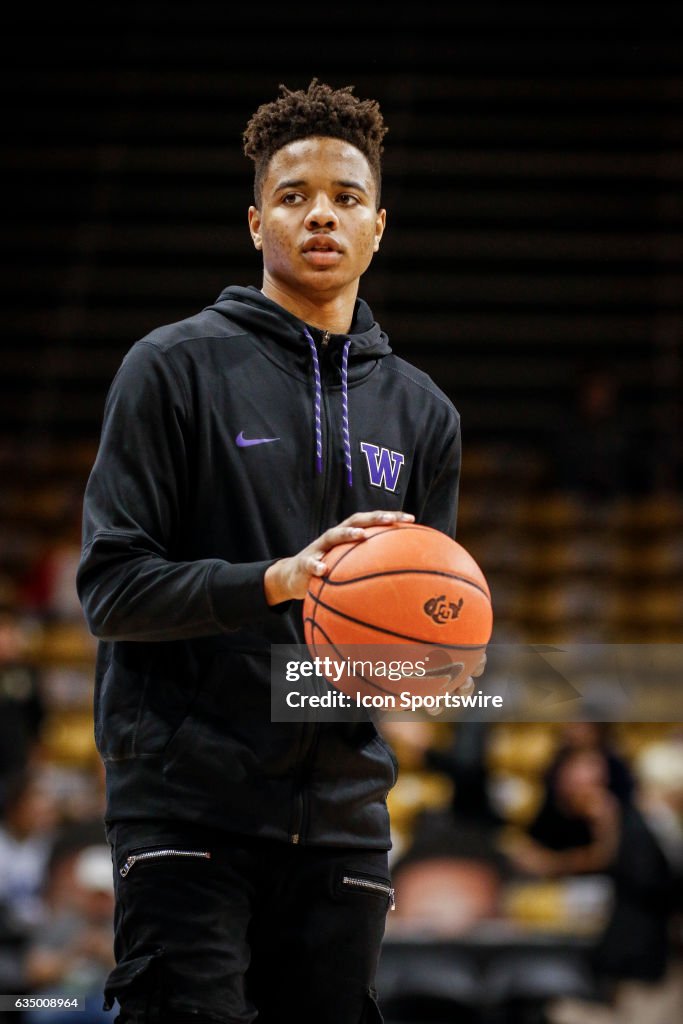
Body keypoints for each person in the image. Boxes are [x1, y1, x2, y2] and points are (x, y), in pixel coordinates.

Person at [77, 79, 479, 1024]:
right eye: (294, 196)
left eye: (344, 197)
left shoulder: (424, 413)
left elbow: (428, 628)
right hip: (187, 808)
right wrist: (281, 580)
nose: (320, 215)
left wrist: (434, 668)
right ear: (256, 223)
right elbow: (112, 588)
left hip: (341, 820)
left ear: (379, 225)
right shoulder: (172, 368)